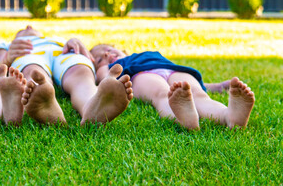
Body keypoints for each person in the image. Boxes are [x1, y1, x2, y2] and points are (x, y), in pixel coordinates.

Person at [0, 25, 134, 125]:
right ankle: (44, 99)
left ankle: (91, 105)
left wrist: (74, 42)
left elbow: (90, 54)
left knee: (81, 72)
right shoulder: (8, 44)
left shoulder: (58, 40)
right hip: (29, 55)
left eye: (30, 27)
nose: (28, 26)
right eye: (22, 30)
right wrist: (8, 56)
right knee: (33, 72)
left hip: (64, 54)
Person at [90, 44, 255, 130]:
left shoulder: (141, 55)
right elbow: (106, 80)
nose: (106, 54)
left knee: (198, 94)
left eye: (108, 49)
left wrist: (218, 86)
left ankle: (229, 116)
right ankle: (182, 118)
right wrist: (104, 71)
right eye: (99, 59)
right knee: (163, 94)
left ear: (122, 50)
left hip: (173, 71)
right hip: (141, 75)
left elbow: (201, 86)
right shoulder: (120, 65)